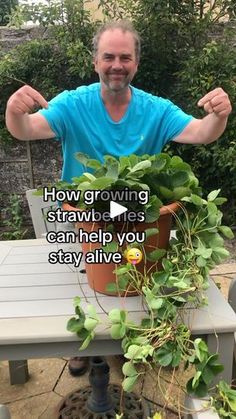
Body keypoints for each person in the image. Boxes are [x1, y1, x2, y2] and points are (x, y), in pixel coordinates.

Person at [5, 20, 232, 376]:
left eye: (125, 57)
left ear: (136, 64)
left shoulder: (156, 109)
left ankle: (128, 342)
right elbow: (26, 129)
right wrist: (14, 112)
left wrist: (219, 116)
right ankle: (84, 345)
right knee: (84, 292)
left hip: (139, 224)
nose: (116, 64)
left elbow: (202, 133)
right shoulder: (72, 104)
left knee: (134, 288)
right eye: (108, 56)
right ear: (95, 61)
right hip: (86, 227)